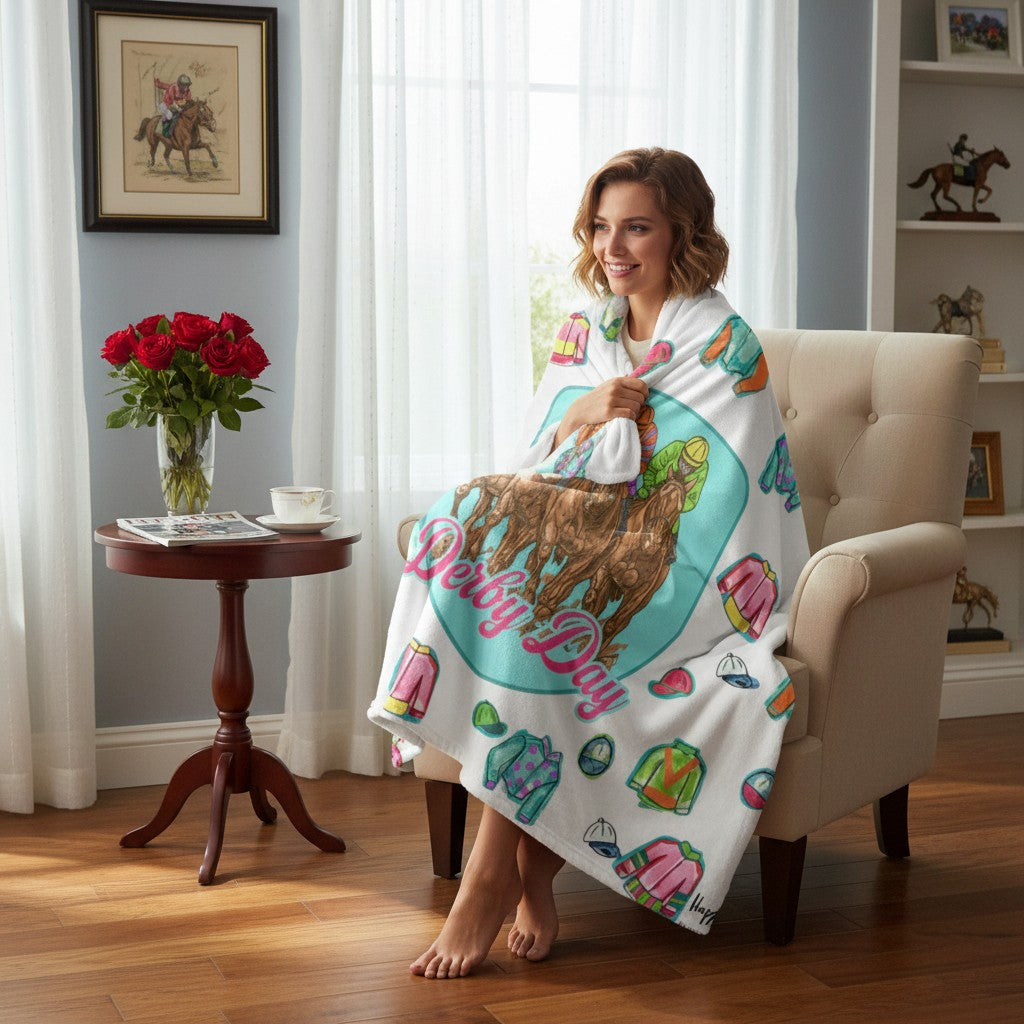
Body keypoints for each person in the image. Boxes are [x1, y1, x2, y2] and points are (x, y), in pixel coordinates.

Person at [369, 147, 808, 980]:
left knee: (548, 613)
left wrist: (621, 440)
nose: (614, 247)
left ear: (682, 231)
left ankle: (496, 876)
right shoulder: (586, 331)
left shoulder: (724, 342)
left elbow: (723, 496)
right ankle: (531, 867)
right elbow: (537, 460)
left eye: (637, 226)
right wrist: (590, 411)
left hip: (682, 565)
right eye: (602, 227)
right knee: (465, 515)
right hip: (583, 534)